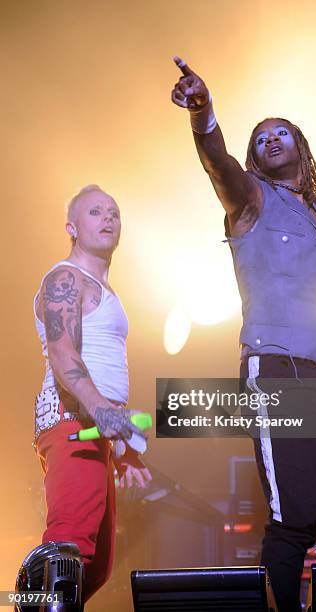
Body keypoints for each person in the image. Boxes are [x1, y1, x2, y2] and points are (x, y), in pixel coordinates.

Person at [171, 58, 316, 611]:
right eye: (261, 137)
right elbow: (217, 163)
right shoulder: (250, 202)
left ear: (301, 147)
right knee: (294, 518)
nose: (271, 139)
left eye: (281, 133)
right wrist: (203, 112)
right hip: (276, 372)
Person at [28, 185, 152, 604]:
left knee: (94, 567)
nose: (108, 218)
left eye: (114, 212)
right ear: (72, 227)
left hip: (94, 426)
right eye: (95, 212)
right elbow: (64, 358)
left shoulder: (105, 287)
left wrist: (119, 444)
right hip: (71, 420)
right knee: (68, 551)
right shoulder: (65, 278)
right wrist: (105, 415)